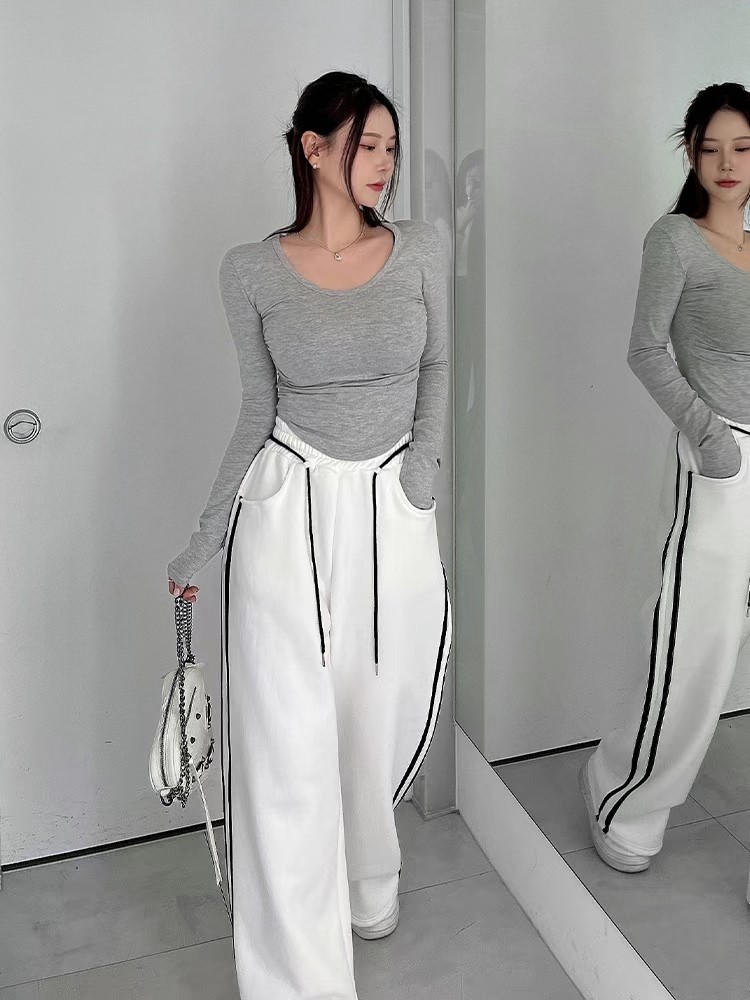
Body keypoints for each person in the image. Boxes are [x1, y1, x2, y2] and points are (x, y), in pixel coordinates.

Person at [167, 70, 452, 1000]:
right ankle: (299, 979)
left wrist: (422, 474)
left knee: (378, 716)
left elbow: (440, 365)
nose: (385, 163)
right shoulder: (250, 271)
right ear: (314, 148)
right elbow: (257, 408)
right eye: (367, 144)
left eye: (391, 147)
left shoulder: (420, 248)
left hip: (392, 512)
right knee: (287, 748)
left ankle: (370, 878)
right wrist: (206, 538)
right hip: (286, 517)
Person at [579, 82, 750, 900]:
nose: (727, 163)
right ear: (690, 151)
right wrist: (710, 438)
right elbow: (646, 349)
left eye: (742, 148)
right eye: (711, 147)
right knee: (697, 652)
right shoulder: (676, 240)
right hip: (720, 465)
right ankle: (623, 801)